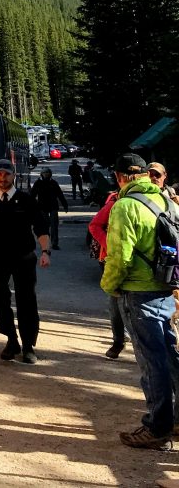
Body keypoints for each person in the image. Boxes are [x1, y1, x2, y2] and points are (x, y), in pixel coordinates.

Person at [101, 153, 179, 450]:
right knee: (170, 356)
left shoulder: (125, 207)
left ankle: (157, 428)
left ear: (119, 178)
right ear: (147, 175)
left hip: (138, 291)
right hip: (166, 287)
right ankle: (176, 420)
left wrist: (110, 286)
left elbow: (119, 256)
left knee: (151, 363)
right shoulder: (167, 201)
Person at [0, 158, 50, 364]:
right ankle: (11, 339)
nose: (3, 177)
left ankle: (28, 346)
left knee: (26, 300)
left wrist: (45, 251)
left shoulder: (26, 200)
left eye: (6, 173)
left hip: (24, 258)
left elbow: (41, 228)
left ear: (13, 175)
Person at [88, 188, 126, 358]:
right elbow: (95, 225)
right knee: (116, 301)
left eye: (157, 175)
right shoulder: (115, 202)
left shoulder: (164, 200)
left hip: (150, 264)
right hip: (113, 260)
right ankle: (118, 341)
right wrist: (109, 245)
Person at [30, 167, 69, 249]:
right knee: (45, 226)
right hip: (42, 207)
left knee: (54, 225)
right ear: (42, 174)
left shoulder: (54, 183)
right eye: (45, 173)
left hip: (53, 207)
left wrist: (65, 205)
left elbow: (60, 194)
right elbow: (32, 195)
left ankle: (54, 243)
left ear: (50, 174)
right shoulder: (38, 183)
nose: (46, 174)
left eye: (48, 173)